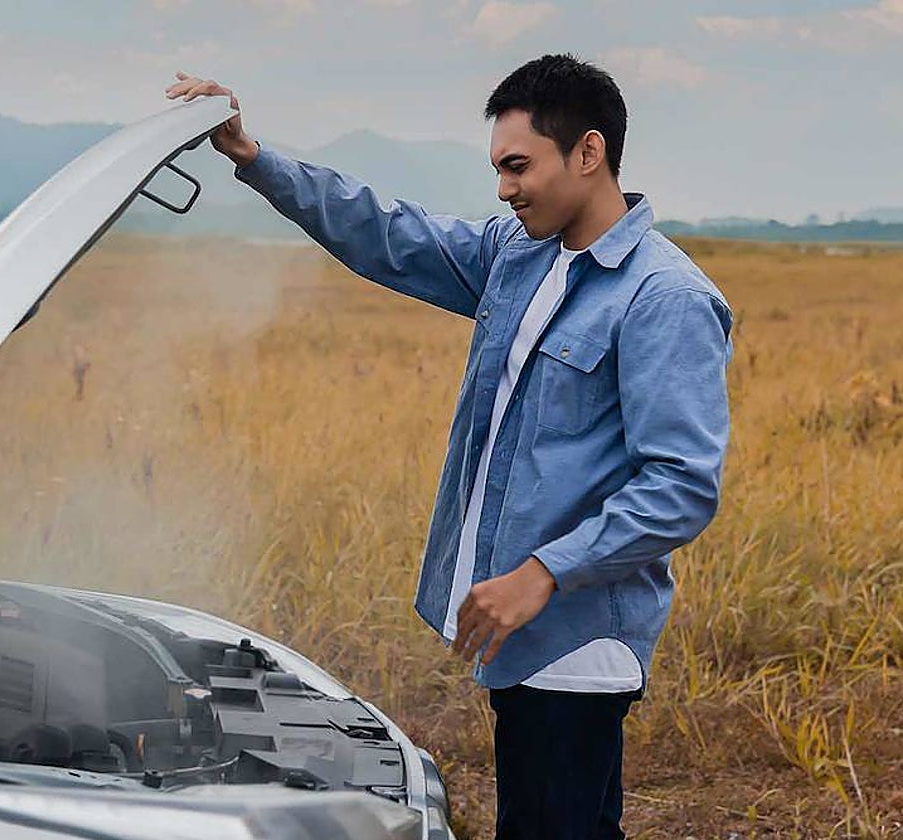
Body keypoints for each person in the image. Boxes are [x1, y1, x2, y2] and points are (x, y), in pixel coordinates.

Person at [166, 54, 732, 840]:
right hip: (520, 631)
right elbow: (390, 234)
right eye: (499, 168)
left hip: (575, 642)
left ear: (589, 153)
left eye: (518, 166)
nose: (504, 188)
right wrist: (255, 160)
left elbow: (681, 485)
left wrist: (542, 574)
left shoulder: (664, 298)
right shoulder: (519, 256)